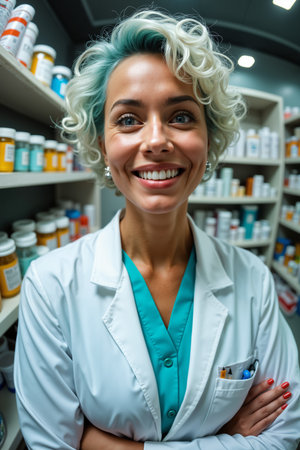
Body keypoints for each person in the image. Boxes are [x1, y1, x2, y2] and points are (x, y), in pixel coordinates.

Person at [14, 9, 300, 450]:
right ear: (101, 144)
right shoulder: (51, 284)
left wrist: (100, 443)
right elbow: (51, 445)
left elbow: (282, 436)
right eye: (128, 120)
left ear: (210, 139)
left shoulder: (253, 280)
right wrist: (225, 437)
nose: (155, 140)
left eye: (182, 117)